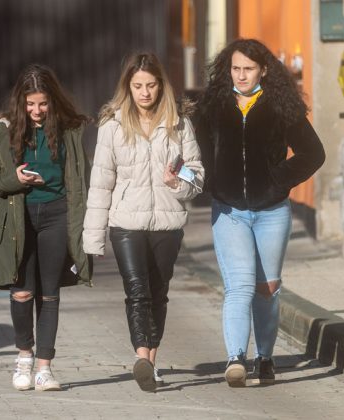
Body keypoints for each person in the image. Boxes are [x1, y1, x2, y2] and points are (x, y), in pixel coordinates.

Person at [195, 39, 325, 387]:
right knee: (238, 285)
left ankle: (264, 357)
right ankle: (236, 357)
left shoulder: (281, 106)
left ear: (263, 70)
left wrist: (277, 179)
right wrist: (207, 181)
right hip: (229, 210)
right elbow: (198, 151)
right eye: (235, 68)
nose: (241, 75)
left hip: (272, 211)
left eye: (248, 69)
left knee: (267, 288)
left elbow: (313, 153)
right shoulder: (213, 106)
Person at [83, 52, 204, 392]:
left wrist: (177, 182)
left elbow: (197, 177)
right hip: (126, 224)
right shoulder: (112, 126)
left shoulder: (179, 123)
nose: (145, 93)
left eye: (151, 85)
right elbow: (101, 183)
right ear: (128, 87)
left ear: (161, 86)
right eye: (138, 86)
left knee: (158, 292)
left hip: (167, 223)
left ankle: (151, 361)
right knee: (137, 291)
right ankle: (142, 358)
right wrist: (93, 238)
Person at [0, 64, 92, 392]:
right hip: (19, 219)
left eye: (43, 103)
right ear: (20, 102)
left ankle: (44, 368)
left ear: (53, 101)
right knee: (23, 292)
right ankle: (24, 358)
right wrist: (14, 179)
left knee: (50, 294)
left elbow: (82, 177)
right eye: (30, 104)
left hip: (57, 215)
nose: (37, 111)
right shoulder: (2, 131)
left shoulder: (70, 130)